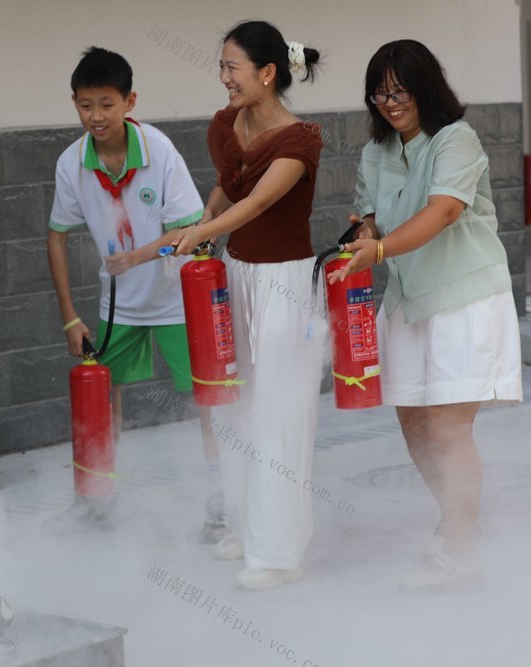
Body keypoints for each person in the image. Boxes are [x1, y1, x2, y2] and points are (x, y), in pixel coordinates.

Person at [328, 40, 523, 594]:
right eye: (380, 92)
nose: (390, 102)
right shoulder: (376, 152)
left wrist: (380, 250)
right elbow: (371, 223)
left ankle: (461, 550)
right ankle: (458, 520)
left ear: (426, 87)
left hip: (464, 296)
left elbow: (441, 212)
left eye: (401, 90)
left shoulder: (456, 140)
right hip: (409, 300)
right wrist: (363, 236)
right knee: (413, 421)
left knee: (448, 424)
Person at [172, 21, 325, 590]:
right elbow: (229, 187)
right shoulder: (226, 124)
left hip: (284, 283)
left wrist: (205, 228)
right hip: (236, 277)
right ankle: (242, 523)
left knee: (281, 413)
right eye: (221, 67)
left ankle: (277, 553)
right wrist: (202, 224)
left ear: (267, 73)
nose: (224, 78)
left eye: (233, 67)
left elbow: (259, 202)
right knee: (233, 406)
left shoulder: (300, 138)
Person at [46, 46, 219, 534]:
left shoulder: (160, 150)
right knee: (102, 399)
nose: (95, 116)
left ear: (129, 101)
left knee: (208, 402)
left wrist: (138, 257)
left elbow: (190, 235)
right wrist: (69, 316)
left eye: (106, 104)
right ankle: (97, 504)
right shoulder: (71, 163)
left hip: (178, 301)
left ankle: (222, 499)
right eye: (85, 105)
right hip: (118, 305)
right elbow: (56, 237)